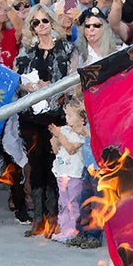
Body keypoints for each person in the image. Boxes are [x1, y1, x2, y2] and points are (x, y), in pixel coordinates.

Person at [15, 4, 75, 234]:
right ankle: (38, 218)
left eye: (44, 21)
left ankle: (55, 217)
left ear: (52, 21)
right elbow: (17, 79)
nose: (41, 26)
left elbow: (73, 81)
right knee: (36, 166)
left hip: (58, 117)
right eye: (35, 23)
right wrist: (28, 86)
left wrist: (51, 87)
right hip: (32, 118)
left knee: (56, 166)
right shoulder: (27, 52)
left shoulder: (67, 49)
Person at [49, 99, 89, 243]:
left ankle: (73, 229)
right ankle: (64, 228)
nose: (67, 119)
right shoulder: (64, 130)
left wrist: (59, 136)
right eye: (66, 115)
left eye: (70, 116)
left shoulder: (81, 135)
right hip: (62, 172)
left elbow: (71, 149)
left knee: (73, 202)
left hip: (75, 174)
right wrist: (54, 139)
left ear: (82, 119)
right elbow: (55, 149)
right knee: (63, 201)